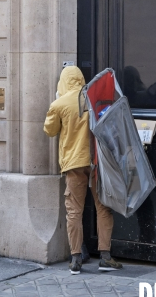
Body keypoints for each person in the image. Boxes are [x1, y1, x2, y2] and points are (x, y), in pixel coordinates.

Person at [44, 65, 123, 275]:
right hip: (97, 162)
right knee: (103, 208)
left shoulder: (59, 104)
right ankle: (105, 256)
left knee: (74, 211)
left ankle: (76, 258)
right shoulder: (93, 98)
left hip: (73, 164)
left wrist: (57, 102)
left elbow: (49, 130)